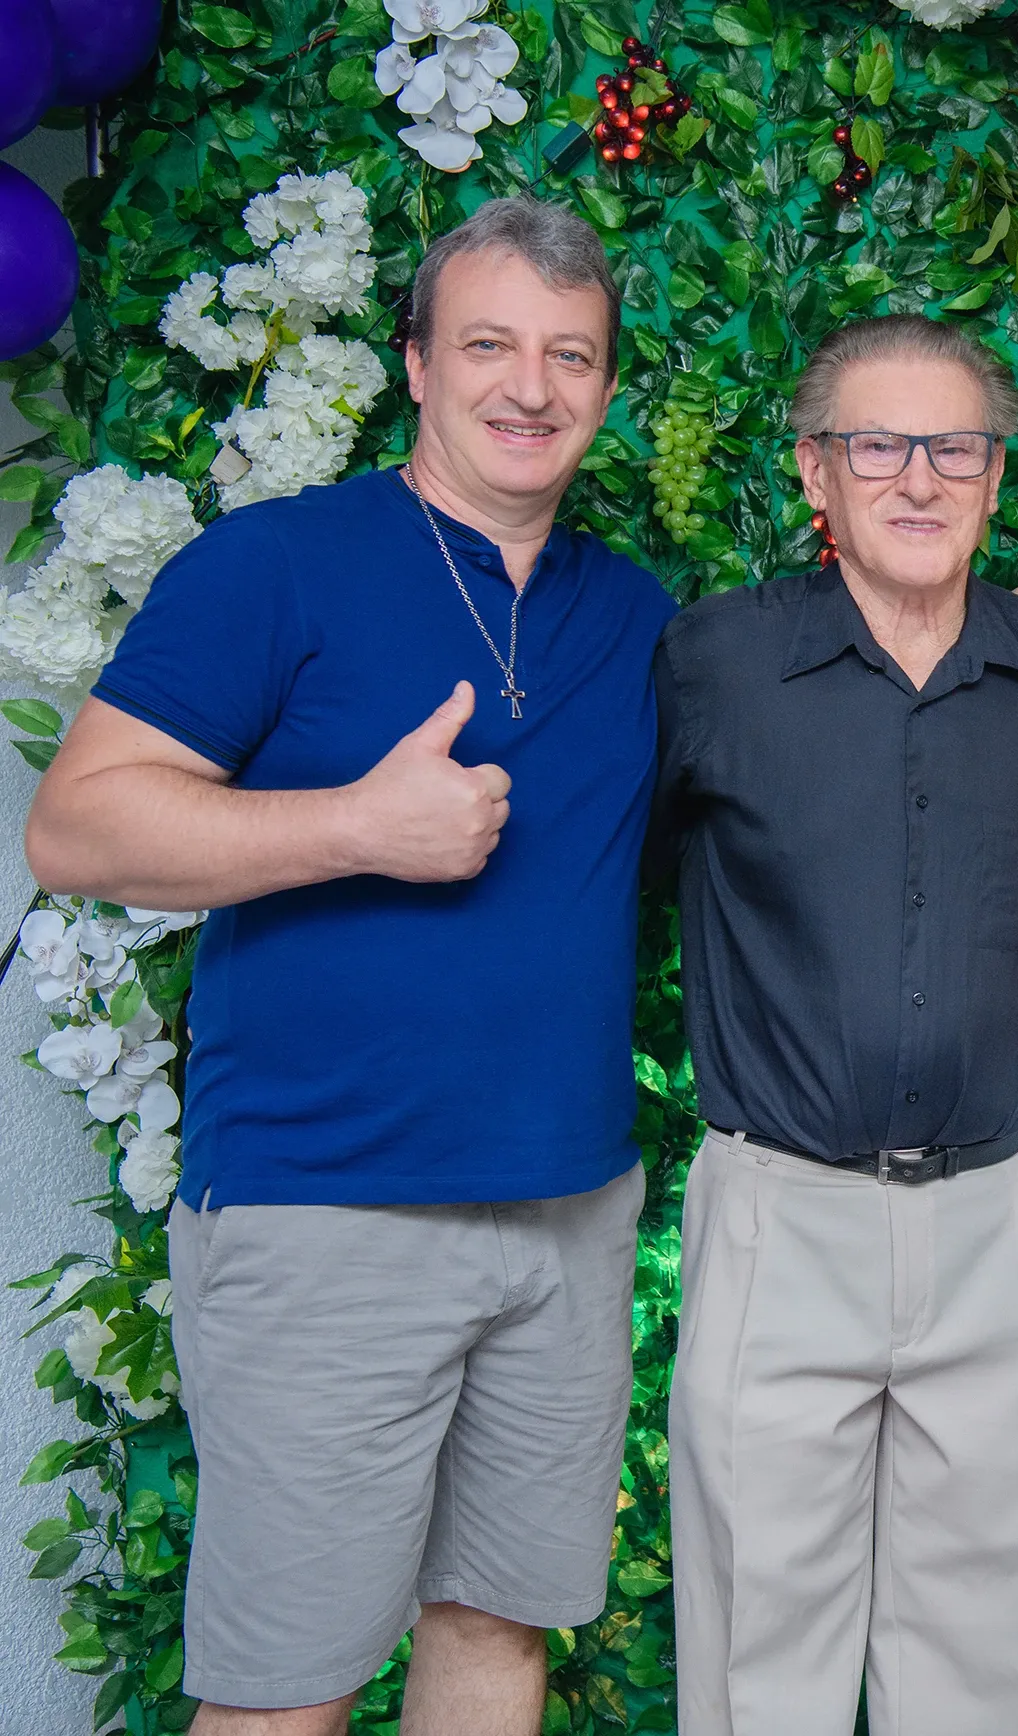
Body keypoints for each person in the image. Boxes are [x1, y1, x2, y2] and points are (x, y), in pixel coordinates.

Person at [21, 199, 672, 1734]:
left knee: (498, 1631)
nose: (531, 387)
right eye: (490, 345)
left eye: (571, 356)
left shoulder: (635, 613)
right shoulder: (276, 566)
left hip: (567, 1213)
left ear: (605, 387)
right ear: (418, 364)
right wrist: (356, 826)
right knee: (287, 1691)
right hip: (328, 1213)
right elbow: (77, 827)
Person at [650, 313, 1018, 1736]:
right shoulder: (714, 661)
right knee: (760, 1662)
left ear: (995, 475)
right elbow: (603, 878)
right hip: (780, 1215)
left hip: (1002, 1218)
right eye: (876, 445)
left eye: (954, 448)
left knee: (974, 1662)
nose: (918, 478)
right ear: (816, 471)